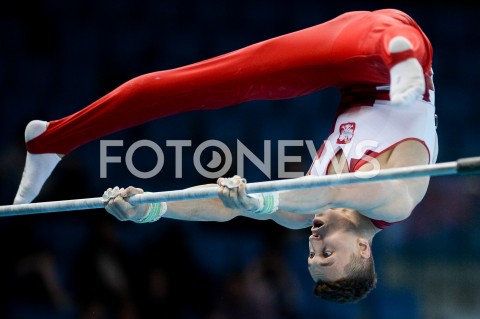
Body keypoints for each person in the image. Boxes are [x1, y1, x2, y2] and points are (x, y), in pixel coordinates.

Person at [14, 8, 437, 303]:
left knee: (201, 85)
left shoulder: (299, 212)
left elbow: (222, 205)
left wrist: (151, 208)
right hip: (385, 48)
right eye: (328, 254)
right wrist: (263, 202)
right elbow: (341, 187)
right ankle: (402, 56)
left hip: (342, 69)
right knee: (401, 45)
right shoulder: (396, 202)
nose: (314, 245)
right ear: (364, 249)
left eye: (311, 256)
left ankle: (53, 139)